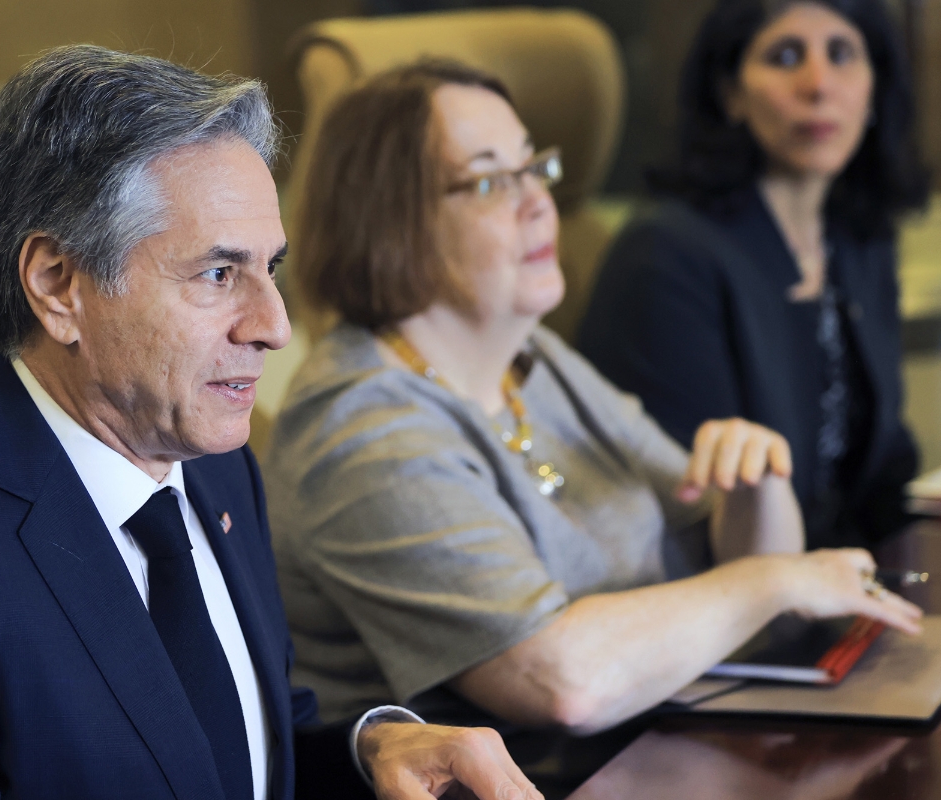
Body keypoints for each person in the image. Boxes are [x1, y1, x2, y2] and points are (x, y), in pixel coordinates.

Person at [0, 46, 543, 800]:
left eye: (269, 269)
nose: (274, 326)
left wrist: (374, 743)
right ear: (58, 285)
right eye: (219, 274)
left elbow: (241, 748)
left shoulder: (214, 465)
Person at [262, 60, 922, 789]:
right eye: (489, 181)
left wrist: (754, 491)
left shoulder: (530, 360)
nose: (539, 203)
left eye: (534, 167)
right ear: (384, 217)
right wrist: (776, 579)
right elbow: (559, 681)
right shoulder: (362, 424)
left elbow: (749, 582)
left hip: (643, 757)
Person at [578, 0, 930, 550]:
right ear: (731, 94)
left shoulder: (857, 239)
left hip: (846, 581)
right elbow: (693, 510)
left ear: (875, 89)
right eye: (785, 56)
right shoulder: (665, 256)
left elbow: (881, 467)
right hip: (738, 603)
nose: (818, 84)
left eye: (843, 55)